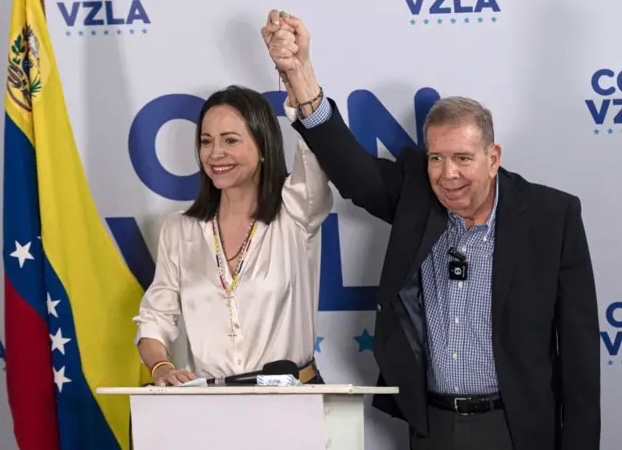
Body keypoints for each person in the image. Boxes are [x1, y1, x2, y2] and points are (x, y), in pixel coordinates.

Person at [262, 10, 601, 450]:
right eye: (436, 158)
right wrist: (300, 75)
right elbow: (353, 172)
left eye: (462, 158)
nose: (447, 174)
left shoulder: (551, 217)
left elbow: (579, 359)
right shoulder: (418, 196)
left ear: (493, 158)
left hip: (518, 430)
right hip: (433, 427)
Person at [132, 82, 333, 387]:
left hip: (292, 400)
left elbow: (314, 154)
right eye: (206, 141)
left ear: (263, 146)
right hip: (210, 404)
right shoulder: (180, 229)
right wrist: (161, 367)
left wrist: (299, 80)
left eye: (230, 140)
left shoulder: (296, 210)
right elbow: (154, 318)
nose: (216, 153)